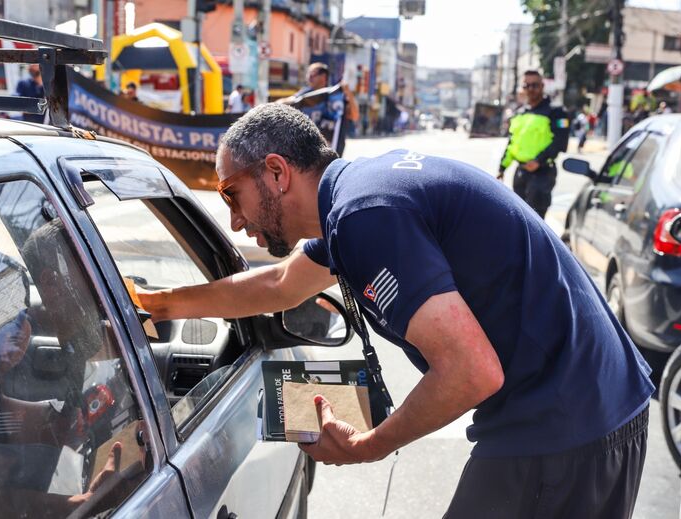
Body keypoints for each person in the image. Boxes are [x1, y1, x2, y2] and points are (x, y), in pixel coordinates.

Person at [139, 103, 654, 518]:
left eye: (232, 194)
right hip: (583, 409)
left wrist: (369, 445)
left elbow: (471, 370)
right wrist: (160, 305)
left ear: (276, 172)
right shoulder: (357, 196)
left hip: (565, 426)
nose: (234, 220)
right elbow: (279, 285)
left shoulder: (364, 214)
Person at [497, 70, 569, 219]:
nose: (530, 89)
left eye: (534, 85)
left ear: (542, 86)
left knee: (535, 220)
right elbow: (512, 144)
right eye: (526, 85)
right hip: (521, 173)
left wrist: (539, 161)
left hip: (542, 173)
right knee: (518, 218)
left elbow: (560, 142)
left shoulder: (557, 112)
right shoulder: (519, 113)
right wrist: (502, 168)